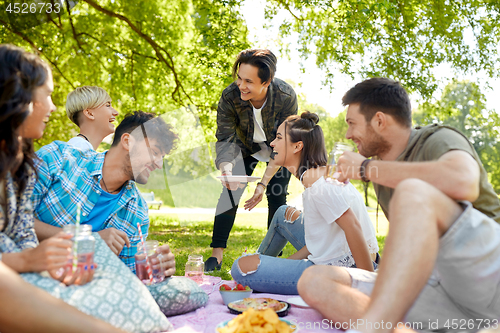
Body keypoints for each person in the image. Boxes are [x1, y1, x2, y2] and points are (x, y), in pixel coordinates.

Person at [296, 77, 500, 332]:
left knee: (412, 190)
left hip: (487, 275)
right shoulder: (381, 167)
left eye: (352, 124)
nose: (348, 134)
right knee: (314, 281)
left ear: (380, 121)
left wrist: (365, 168)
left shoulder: (436, 139)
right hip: (439, 286)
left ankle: (371, 328)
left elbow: (464, 182)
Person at [0, 43, 126, 333]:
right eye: (48, 95)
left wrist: (50, 268)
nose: (54, 107)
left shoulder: (21, 164)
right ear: (19, 96)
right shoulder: (58, 156)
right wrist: (84, 239)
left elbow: (24, 233)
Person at [230, 112, 379, 295]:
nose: (272, 144)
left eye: (278, 138)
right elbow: (319, 242)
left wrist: (368, 285)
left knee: (241, 268)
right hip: (340, 254)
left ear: (297, 146)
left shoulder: (315, 181)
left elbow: (353, 226)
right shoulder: (316, 174)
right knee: (282, 213)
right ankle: (265, 263)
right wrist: (282, 267)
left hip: (344, 269)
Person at [33, 111, 177, 275]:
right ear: (127, 141)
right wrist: (87, 241)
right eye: (155, 152)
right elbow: (10, 220)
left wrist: (155, 268)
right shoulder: (59, 159)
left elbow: (127, 277)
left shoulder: (138, 212)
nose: (159, 164)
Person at [206, 48, 298, 272]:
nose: (241, 85)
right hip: (244, 147)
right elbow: (225, 137)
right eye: (239, 77)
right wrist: (227, 168)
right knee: (230, 191)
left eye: (248, 81)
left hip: (279, 148)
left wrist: (262, 183)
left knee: (277, 196)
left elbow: (285, 143)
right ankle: (216, 256)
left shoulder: (286, 96)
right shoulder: (230, 96)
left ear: (266, 82)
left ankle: (271, 258)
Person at [66, 86, 118, 150]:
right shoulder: (79, 148)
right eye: (108, 105)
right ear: (89, 113)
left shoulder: (81, 147)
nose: (116, 113)